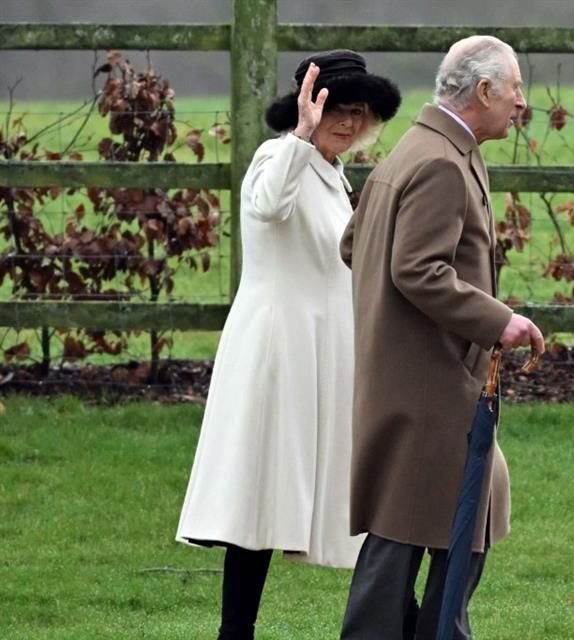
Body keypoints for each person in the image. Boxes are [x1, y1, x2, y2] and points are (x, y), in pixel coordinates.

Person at [176, 50, 401, 640]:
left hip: (322, 344)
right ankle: (235, 631)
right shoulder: (279, 154)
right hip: (277, 347)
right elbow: (268, 204)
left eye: (359, 112)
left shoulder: (334, 173)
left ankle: (390, 622)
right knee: (260, 491)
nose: (348, 124)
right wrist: (300, 134)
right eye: (335, 109)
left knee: (295, 492)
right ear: (308, 106)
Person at [338, 35, 545, 640]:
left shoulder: (422, 148)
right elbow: (417, 269)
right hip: (429, 385)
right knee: (421, 530)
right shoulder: (438, 161)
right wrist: (496, 320)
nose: (521, 103)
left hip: (417, 378)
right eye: (514, 90)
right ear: (483, 91)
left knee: (440, 520)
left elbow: (355, 244)